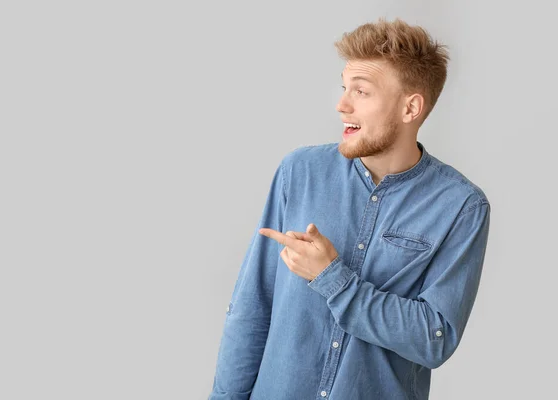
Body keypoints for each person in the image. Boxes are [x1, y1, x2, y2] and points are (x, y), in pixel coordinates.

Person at [208, 17, 491, 400]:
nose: (342, 105)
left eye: (361, 92)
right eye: (345, 88)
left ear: (410, 108)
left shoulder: (460, 207)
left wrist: (331, 277)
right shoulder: (300, 172)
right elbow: (252, 306)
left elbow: (434, 338)